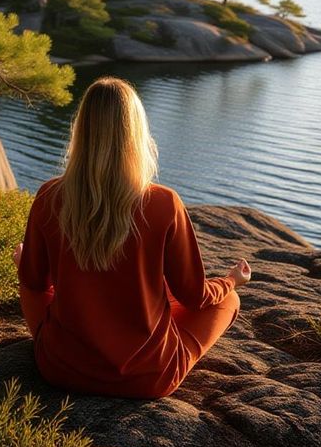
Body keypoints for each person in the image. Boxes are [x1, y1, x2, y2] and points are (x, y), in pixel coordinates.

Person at [13, 76, 251, 399]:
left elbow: (35, 282)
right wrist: (230, 281)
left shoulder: (49, 197)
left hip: (61, 369)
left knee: (30, 280)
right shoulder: (165, 203)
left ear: (81, 131)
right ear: (135, 134)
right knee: (229, 301)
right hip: (147, 379)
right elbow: (195, 297)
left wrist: (26, 262)